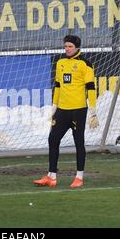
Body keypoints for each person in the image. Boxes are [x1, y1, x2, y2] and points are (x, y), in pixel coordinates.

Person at [33, 35, 99, 188]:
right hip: (62, 110)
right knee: (53, 139)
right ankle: (52, 176)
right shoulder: (61, 63)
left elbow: (90, 88)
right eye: (65, 46)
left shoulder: (85, 64)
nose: (67, 49)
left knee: (79, 142)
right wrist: (54, 106)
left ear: (77, 47)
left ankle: (79, 177)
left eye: (70, 46)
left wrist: (93, 112)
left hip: (78, 110)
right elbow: (57, 86)